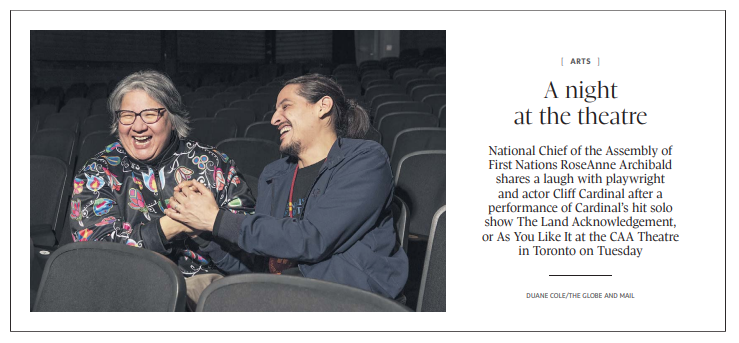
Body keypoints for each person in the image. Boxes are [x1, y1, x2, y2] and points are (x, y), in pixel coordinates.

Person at [166, 74, 409, 299]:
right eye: (275, 110)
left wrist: (215, 219)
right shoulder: (275, 174)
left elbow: (313, 239)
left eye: (286, 106)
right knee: (179, 291)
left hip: (346, 301)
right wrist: (204, 234)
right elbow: (260, 266)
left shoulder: (365, 160)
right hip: (282, 294)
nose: (274, 118)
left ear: (322, 106)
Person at [69, 70, 261, 305]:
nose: (138, 126)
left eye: (150, 114)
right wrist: (165, 229)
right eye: (127, 115)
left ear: (172, 118)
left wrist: (202, 232)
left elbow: (251, 261)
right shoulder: (98, 172)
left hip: (203, 286)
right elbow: (93, 255)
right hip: (122, 288)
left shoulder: (213, 165)